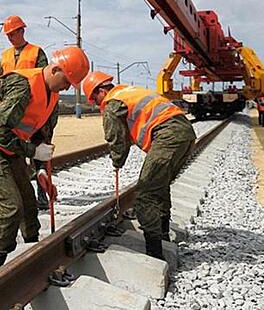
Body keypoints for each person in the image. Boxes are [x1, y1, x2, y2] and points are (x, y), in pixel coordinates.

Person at [0, 46, 90, 270]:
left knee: (29, 205)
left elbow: (41, 138)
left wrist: (41, 170)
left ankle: (32, 254)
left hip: (10, 145)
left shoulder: (52, 98)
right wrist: (32, 152)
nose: (67, 87)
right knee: (10, 207)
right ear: (55, 69)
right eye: (67, 80)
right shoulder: (22, 86)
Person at [83, 71, 196, 260]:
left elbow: (116, 138)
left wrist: (117, 160)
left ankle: (155, 253)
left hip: (168, 135)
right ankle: (163, 235)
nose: (97, 105)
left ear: (101, 91)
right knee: (158, 186)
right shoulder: (128, 92)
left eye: (94, 100)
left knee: (145, 195)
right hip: (185, 133)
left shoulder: (112, 102)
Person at [0, 14, 50, 211]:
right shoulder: (5, 56)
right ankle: (22, 194)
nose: (10, 37)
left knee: (39, 151)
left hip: (34, 111)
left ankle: (42, 195)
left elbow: (46, 80)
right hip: (13, 112)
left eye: (13, 33)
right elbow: (0, 82)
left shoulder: (36, 52)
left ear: (22, 31)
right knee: (15, 150)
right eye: (8, 35)